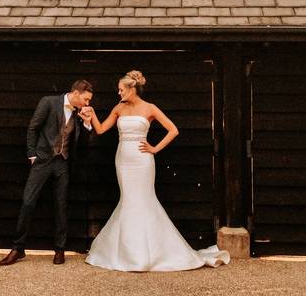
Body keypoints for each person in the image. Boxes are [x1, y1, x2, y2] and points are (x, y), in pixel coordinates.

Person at [83, 70, 229, 271]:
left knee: (143, 200)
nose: (118, 93)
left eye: (121, 90)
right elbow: (100, 130)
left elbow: (173, 130)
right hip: (123, 159)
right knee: (127, 200)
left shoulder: (150, 108)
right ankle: (128, 254)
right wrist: (90, 116)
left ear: (132, 89)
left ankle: (149, 254)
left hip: (143, 160)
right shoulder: (119, 108)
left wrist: (154, 148)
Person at [0, 79, 94, 266]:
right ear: (75, 93)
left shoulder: (79, 114)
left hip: (63, 164)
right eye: (86, 99)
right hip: (42, 161)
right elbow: (33, 128)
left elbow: (80, 143)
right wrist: (32, 155)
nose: (87, 103)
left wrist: (87, 124)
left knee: (61, 206)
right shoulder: (49, 102)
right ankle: (18, 248)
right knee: (28, 201)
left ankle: (59, 250)